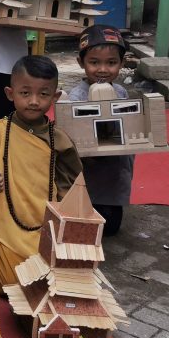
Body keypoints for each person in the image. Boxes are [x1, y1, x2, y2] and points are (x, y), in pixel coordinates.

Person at [0, 55, 84, 293]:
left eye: (43, 94)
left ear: (55, 97)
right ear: (10, 93)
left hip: (44, 225)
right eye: (25, 93)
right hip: (5, 223)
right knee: (9, 283)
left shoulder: (59, 140)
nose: (34, 101)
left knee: (43, 284)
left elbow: (72, 186)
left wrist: (65, 223)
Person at [66, 25, 132, 236]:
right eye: (94, 62)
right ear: (81, 62)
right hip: (89, 169)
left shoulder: (121, 92)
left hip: (114, 170)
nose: (103, 69)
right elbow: (69, 134)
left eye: (111, 63)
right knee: (84, 222)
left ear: (122, 63)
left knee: (110, 227)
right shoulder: (76, 97)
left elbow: (129, 123)